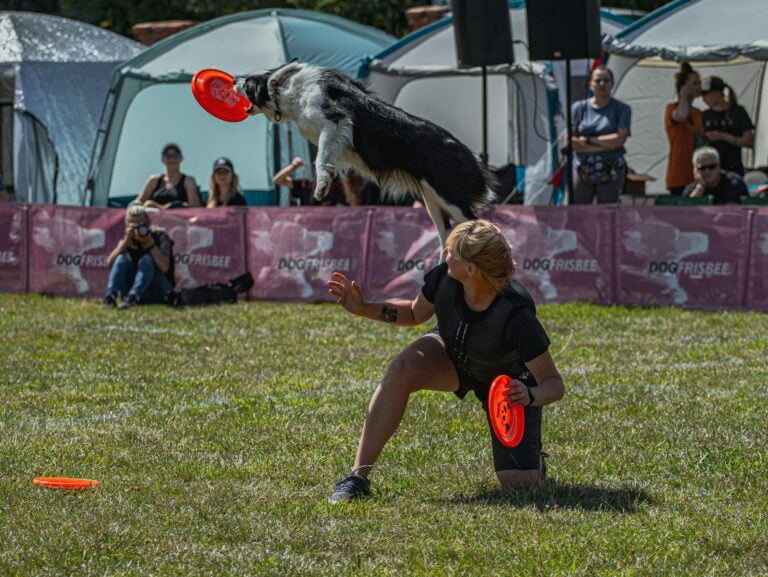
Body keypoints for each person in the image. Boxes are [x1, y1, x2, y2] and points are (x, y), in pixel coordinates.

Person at [326, 220, 566, 503]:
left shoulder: (517, 315)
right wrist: (363, 308)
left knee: (518, 484)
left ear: (471, 269)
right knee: (403, 368)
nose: (444, 254)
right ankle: (357, 477)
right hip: (454, 355)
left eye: (450, 251)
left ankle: (535, 462)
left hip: (505, 387)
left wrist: (528, 395)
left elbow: (554, 384)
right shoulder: (446, 276)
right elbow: (415, 314)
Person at [569, 66, 631, 204]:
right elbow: (571, 143)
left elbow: (619, 140)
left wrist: (589, 140)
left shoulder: (622, 109)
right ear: (590, 84)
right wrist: (607, 144)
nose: (602, 84)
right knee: (579, 211)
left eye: (606, 80)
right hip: (582, 167)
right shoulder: (578, 108)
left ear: (612, 83)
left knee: (608, 212)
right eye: (598, 81)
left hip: (611, 167)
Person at [103, 204, 175, 309]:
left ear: (148, 222)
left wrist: (150, 244)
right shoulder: (127, 241)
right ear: (127, 225)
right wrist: (123, 245)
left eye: (141, 224)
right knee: (121, 259)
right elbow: (109, 264)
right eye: (133, 225)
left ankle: (134, 296)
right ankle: (110, 297)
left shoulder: (160, 237)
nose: (138, 228)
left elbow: (165, 268)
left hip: (157, 289)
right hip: (129, 288)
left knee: (147, 259)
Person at [701, 75, 755, 176]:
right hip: (711, 170)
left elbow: (749, 141)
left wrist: (722, 136)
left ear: (718, 93)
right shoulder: (705, 115)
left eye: (708, 95)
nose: (704, 99)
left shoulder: (737, 111)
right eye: (703, 96)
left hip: (734, 168)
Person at [665, 63, 704, 196]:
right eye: (695, 83)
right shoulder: (672, 109)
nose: (699, 87)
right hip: (679, 174)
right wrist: (683, 95)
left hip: (698, 173)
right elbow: (681, 115)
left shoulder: (698, 113)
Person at [134, 143, 201, 209]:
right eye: (168, 156)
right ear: (162, 159)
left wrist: (165, 208)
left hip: (179, 219)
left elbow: (195, 208)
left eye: (176, 155)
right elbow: (136, 204)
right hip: (154, 219)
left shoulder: (188, 181)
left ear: (181, 158)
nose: (172, 159)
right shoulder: (154, 180)